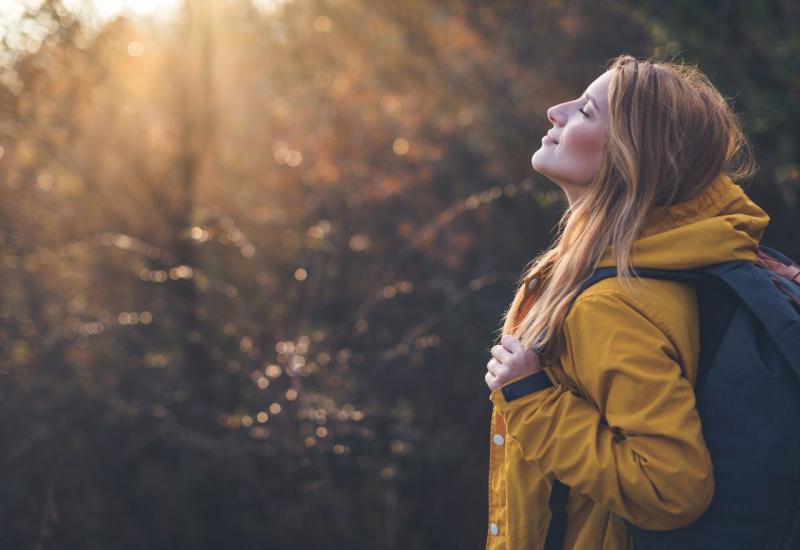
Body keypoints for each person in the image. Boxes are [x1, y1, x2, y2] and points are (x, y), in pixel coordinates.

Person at [483, 53, 771, 549]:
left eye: (587, 112)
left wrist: (533, 403)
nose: (557, 110)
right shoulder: (674, 259)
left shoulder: (610, 304)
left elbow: (672, 488)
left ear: (631, 157)